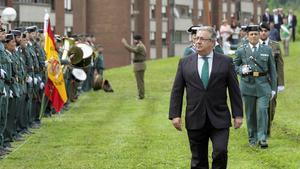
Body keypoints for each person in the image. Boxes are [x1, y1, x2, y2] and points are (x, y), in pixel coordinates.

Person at [169, 26, 243, 169]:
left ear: (213, 42)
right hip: (195, 117)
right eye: (196, 38)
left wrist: (238, 114)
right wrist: (174, 115)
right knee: (198, 159)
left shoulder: (226, 62)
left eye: (202, 39)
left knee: (220, 152)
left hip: (219, 117)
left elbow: (234, 90)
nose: (197, 42)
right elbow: (177, 90)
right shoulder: (185, 62)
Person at [234, 25, 277, 148]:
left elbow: (273, 70)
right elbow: (233, 66)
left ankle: (262, 138)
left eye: (256, 34)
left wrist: (273, 88)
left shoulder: (267, 50)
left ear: (259, 36)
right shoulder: (241, 50)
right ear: (247, 36)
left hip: (263, 86)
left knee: (263, 111)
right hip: (247, 86)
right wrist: (241, 69)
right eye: (251, 34)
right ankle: (252, 138)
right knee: (251, 113)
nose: (254, 36)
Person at [259, 22, 285, 137]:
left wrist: (280, 84)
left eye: (265, 31)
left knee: (271, 107)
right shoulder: (253, 45)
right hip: (258, 81)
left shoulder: (275, 45)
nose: (263, 33)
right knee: (259, 107)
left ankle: (267, 129)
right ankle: (261, 132)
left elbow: (279, 65)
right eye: (261, 30)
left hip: (271, 81)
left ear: (269, 32)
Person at [121, 34, 147, 100]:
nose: (134, 41)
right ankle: (141, 95)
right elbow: (133, 49)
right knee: (140, 81)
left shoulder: (140, 46)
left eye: (134, 39)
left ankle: (141, 96)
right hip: (139, 65)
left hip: (139, 66)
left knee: (139, 82)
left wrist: (125, 44)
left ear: (137, 40)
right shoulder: (139, 45)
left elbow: (132, 50)